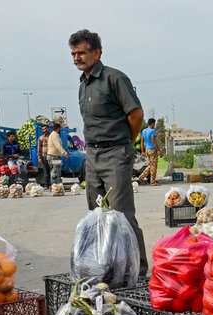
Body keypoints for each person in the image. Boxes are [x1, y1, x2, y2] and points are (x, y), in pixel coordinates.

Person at [69, 29, 149, 277]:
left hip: (116, 153)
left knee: (122, 216)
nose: (76, 57)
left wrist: (127, 142)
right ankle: (103, 268)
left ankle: (138, 271)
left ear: (96, 52)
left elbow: (136, 114)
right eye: (73, 54)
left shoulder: (114, 78)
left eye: (81, 52)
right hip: (92, 156)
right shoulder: (83, 84)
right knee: (97, 216)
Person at [137, 118, 163, 186]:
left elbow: (142, 142)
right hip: (153, 150)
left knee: (151, 165)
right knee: (154, 166)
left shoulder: (144, 131)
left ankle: (141, 177)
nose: (154, 125)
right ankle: (153, 182)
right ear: (152, 124)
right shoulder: (152, 131)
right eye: (154, 123)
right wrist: (159, 151)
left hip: (147, 150)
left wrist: (142, 151)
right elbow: (153, 141)